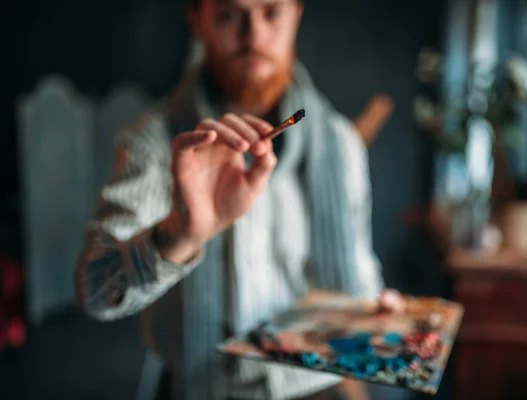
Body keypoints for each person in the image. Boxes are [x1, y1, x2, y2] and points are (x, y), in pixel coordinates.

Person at [74, 0, 403, 398]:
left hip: (316, 384)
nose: (255, 37)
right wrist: (179, 237)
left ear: (297, 14)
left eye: (271, 12)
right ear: (198, 20)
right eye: (230, 15)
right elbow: (96, 291)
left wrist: (376, 308)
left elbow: (358, 267)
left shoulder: (341, 144)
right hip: (197, 387)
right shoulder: (153, 145)